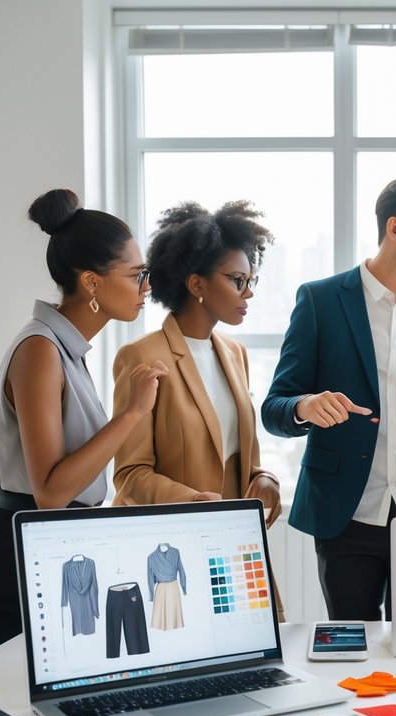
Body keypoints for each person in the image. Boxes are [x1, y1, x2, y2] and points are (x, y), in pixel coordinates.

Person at [0, 188, 167, 663]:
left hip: (48, 553)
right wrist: (132, 414)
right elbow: (50, 492)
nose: (146, 288)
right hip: (8, 566)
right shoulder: (41, 351)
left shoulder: (65, 350)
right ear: (91, 282)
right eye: (136, 275)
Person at [261, 175, 396, 620]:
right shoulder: (321, 301)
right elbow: (275, 407)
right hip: (347, 515)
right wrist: (305, 406)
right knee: (353, 650)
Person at [110, 201, 285, 620]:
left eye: (251, 279)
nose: (249, 293)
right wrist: (197, 502)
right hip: (166, 547)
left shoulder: (235, 354)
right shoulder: (141, 356)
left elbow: (245, 458)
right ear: (196, 283)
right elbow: (130, 475)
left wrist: (267, 481)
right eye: (237, 280)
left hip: (232, 546)